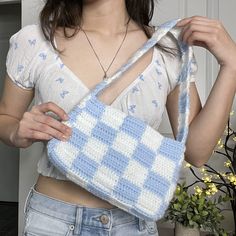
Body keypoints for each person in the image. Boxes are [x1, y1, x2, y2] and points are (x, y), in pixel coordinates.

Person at [0, 0, 236, 235]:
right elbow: (6, 116)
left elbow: (197, 152)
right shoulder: (34, 40)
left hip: (133, 225)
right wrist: (15, 131)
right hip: (53, 222)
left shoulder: (168, 47)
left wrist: (232, 65)